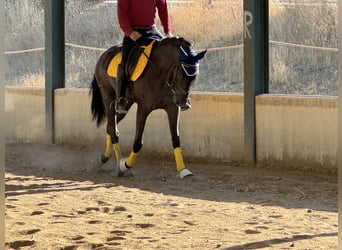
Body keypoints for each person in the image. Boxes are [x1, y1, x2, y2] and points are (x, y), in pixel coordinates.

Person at [116, 0, 173, 114]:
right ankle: (121, 98)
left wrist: (168, 32)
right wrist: (130, 32)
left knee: (170, 54)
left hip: (152, 30)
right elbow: (121, 12)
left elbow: (163, 9)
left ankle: (177, 94)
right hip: (133, 32)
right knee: (125, 61)